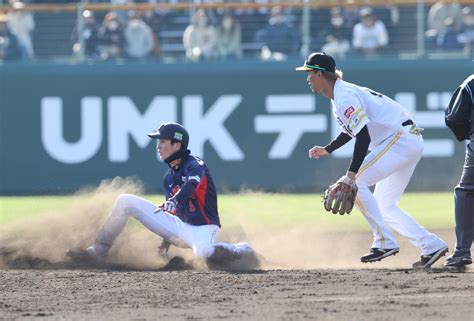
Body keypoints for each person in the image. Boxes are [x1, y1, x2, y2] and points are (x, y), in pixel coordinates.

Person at [296, 52, 448, 268]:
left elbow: (364, 136)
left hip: (399, 140)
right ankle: (431, 245)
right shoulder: (340, 95)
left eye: (310, 73)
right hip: (406, 140)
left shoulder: (344, 96)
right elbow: (351, 131)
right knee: (385, 205)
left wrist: (350, 175)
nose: (307, 78)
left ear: (321, 74)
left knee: (356, 183)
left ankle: (384, 242)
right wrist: (328, 149)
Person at [67, 122, 260, 270]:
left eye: (162, 142)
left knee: (205, 255)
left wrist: (173, 201)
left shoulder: (195, 164)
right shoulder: (169, 176)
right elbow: (174, 211)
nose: (158, 146)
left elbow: (190, 186)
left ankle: (243, 249)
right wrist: (164, 246)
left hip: (203, 228)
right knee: (125, 201)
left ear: (177, 144)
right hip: (178, 228)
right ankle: (97, 251)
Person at [444, 75, 474, 268]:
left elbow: (454, 118)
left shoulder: (471, 83)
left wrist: (466, 134)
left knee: (466, 191)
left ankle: (462, 251)